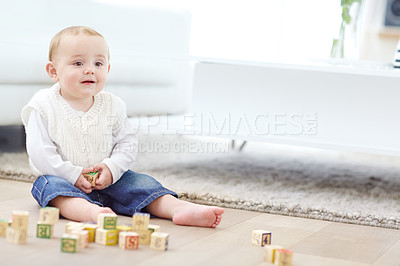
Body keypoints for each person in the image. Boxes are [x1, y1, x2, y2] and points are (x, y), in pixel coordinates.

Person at [21, 26, 224, 228]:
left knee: (140, 183)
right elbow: (41, 153)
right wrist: (72, 175)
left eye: (98, 63)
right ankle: (91, 212)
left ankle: (178, 208)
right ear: (53, 71)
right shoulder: (43, 105)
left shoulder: (113, 105)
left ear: (107, 69)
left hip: (109, 180)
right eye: (78, 63)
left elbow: (127, 143)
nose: (90, 69)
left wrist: (112, 168)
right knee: (49, 187)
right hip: (63, 178)